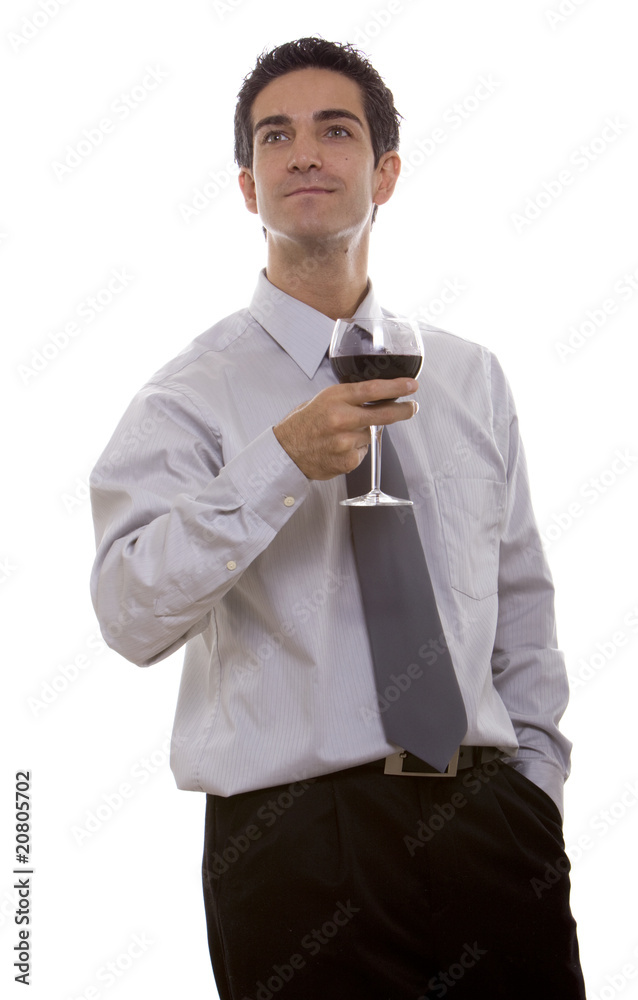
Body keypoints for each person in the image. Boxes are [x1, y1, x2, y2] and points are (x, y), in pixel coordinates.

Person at [90, 37, 586, 999]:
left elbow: (521, 598)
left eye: (335, 130)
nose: (304, 154)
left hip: (491, 829)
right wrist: (279, 460)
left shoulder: (470, 376)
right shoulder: (184, 400)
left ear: (383, 172)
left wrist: (533, 791)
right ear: (248, 186)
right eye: (275, 137)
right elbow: (128, 613)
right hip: (295, 850)